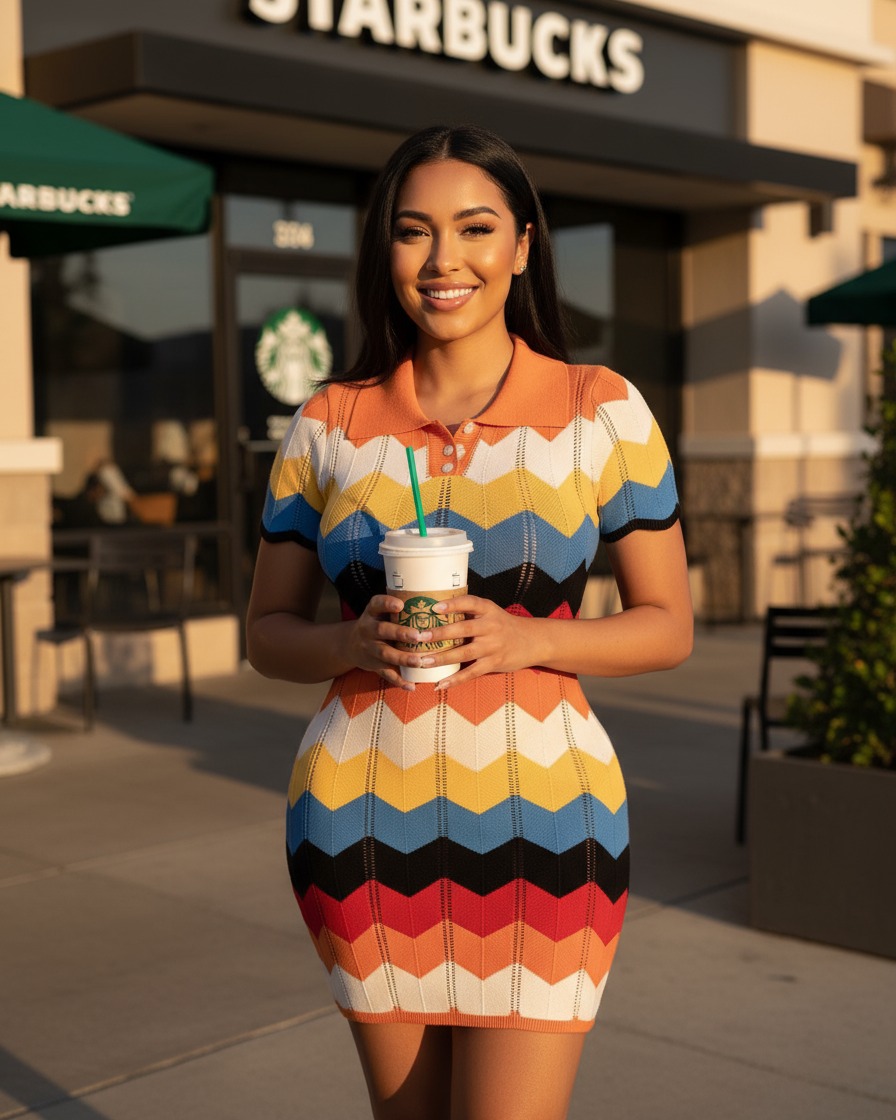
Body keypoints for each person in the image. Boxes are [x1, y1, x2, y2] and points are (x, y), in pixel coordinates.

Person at [246, 124, 693, 1120]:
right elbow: (267, 632)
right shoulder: (329, 420)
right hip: (359, 821)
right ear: (386, 251)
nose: (443, 259)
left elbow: (667, 625)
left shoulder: (601, 409)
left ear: (523, 246)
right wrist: (346, 642)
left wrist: (532, 638)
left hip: (548, 824)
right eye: (413, 232)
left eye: (475, 228)